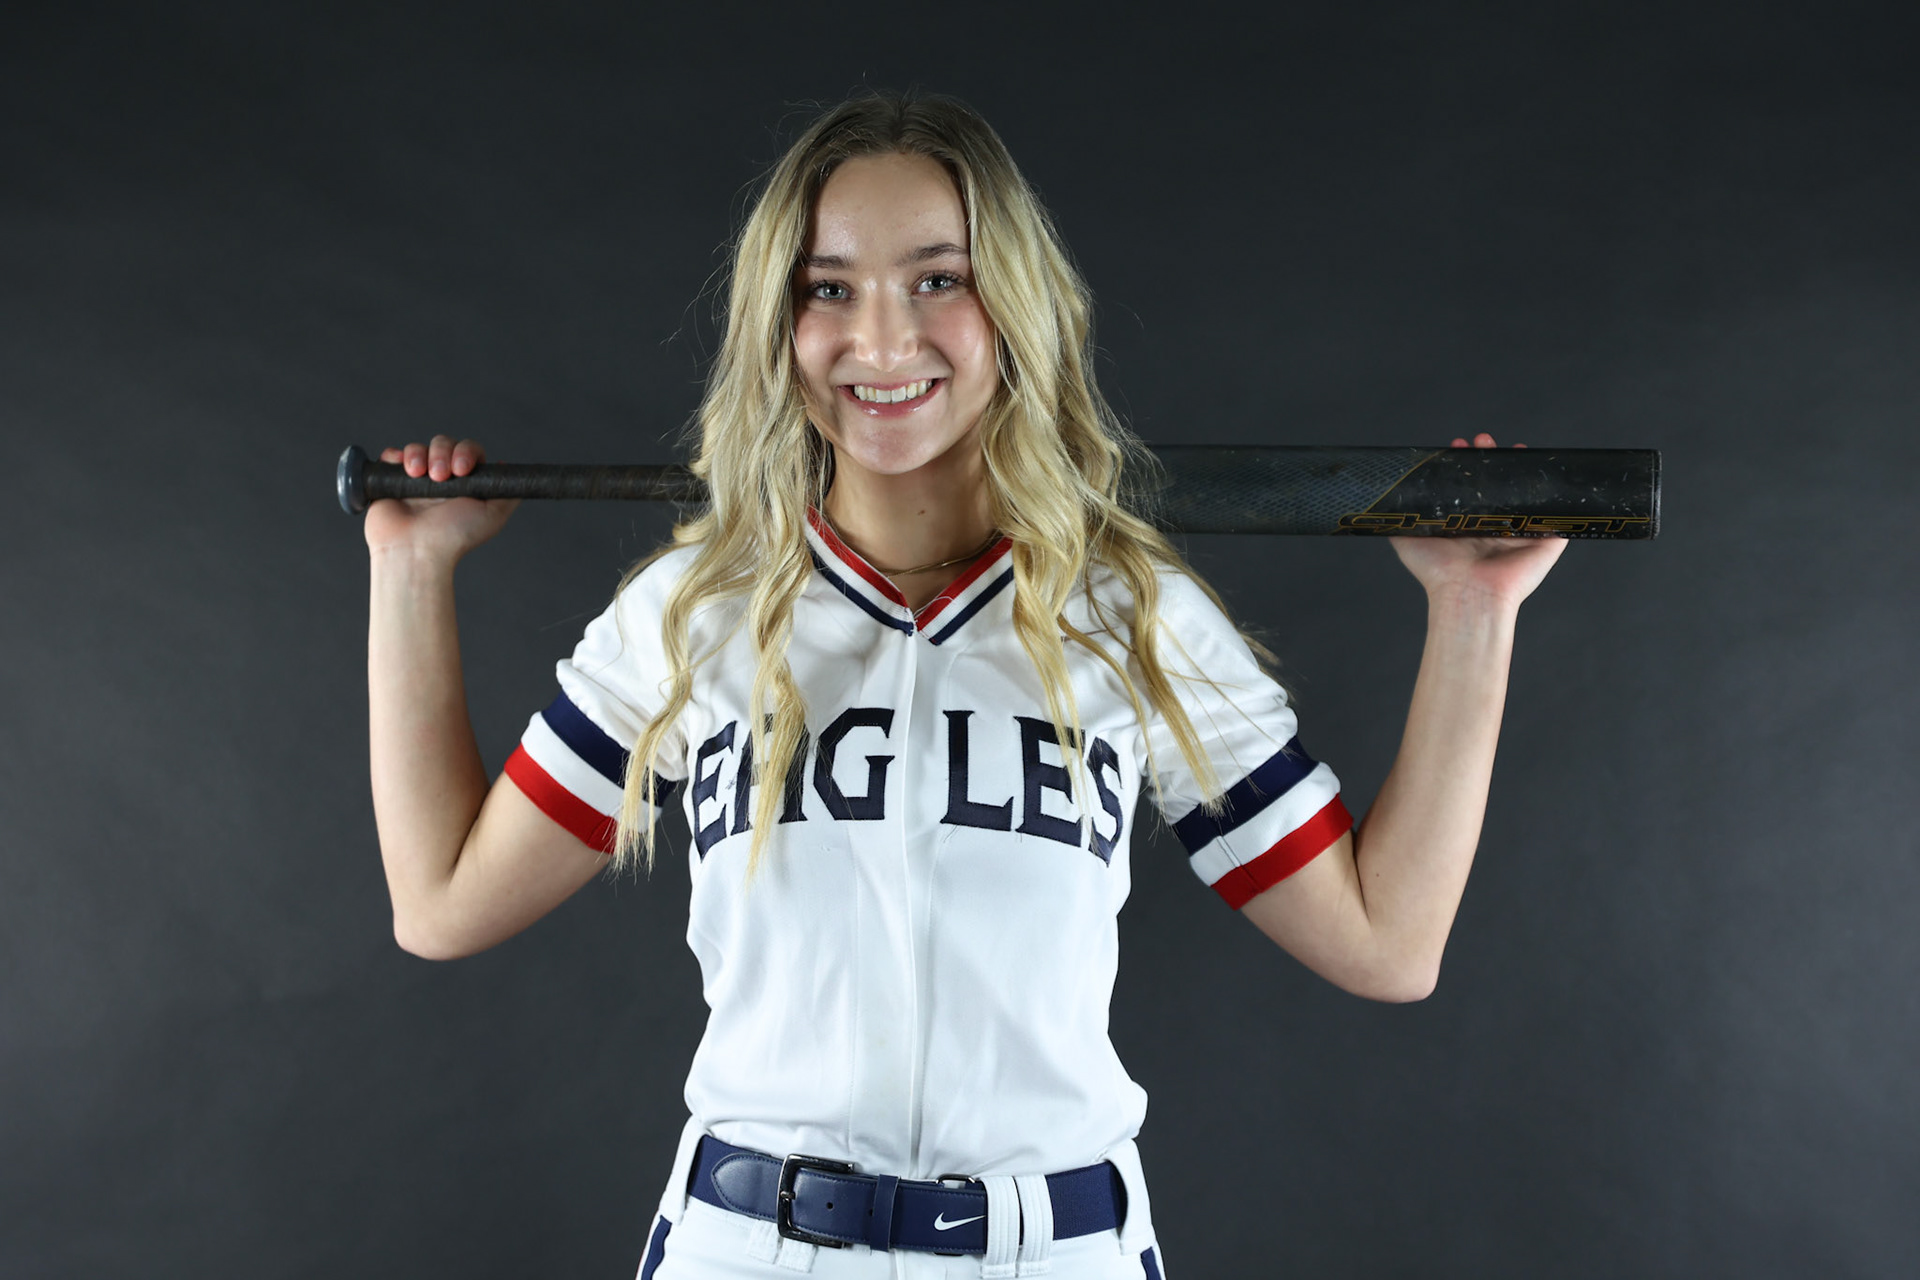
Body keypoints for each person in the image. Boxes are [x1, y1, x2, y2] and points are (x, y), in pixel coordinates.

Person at [362, 91, 1565, 1280]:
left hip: (1055, 1248)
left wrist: (1473, 609)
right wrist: (412, 570)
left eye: (939, 278)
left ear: (1017, 307)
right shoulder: (698, 610)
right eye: (829, 288)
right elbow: (441, 902)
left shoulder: (1131, 613)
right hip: (754, 1246)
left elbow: (1387, 940)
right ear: (778, 324)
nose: (882, 341)